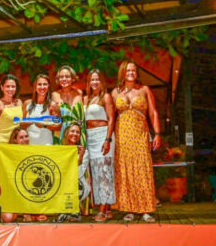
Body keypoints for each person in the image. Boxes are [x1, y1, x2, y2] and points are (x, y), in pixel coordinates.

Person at [112, 60, 162, 222]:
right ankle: (129, 209)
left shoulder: (145, 90)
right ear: (122, 73)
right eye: (128, 71)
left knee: (142, 169)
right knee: (125, 171)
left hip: (140, 134)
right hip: (122, 136)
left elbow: (153, 113)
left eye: (133, 70)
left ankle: (146, 209)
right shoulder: (115, 93)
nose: (131, 73)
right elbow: (111, 118)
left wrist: (158, 133)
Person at [84, 69, 116, 221]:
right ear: (88, 83)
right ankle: (108, 208)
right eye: (92, 80)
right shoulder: (87, 99)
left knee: (104, 173)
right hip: (90, 136)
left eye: (97, 79)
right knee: (97, 174)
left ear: (102, 82)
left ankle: (103, 211)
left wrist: (108, 139)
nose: (94, 82)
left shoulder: (106, 97)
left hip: (103, 134)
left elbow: (111, 119)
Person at [0, 73, 24, 151]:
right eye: (8, 86)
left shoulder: (19, 102)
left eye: (13, 86)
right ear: (2, 87)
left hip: (16, 143)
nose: (10, 89)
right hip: (1, 143)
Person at [61, 122, 91, 212]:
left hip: (78, 183)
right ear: (66, 133)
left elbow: (79, 175)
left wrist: (80, 157)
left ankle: (75, 209)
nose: (75, 134)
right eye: (72, 131)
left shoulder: (84, 152)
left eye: (77, 132)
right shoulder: (60, 150)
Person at [51, 64, 85, 141]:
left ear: (73, 78)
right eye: (61, 77)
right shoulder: (54, 95)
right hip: (60, 133)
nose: (64, 79)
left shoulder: (79, 93)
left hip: (77, 134)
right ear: (58, 80)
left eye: (67, 76)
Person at [24, 73, 58, 147]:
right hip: (29, 143)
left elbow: (59, 126)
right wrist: (27, 123)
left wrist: (44, 125)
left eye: (45, 84)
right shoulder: (27, 103)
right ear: (35, 87)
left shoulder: (52, 105)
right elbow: (21, 125)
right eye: (39, 84)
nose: (42, 87)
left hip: (46, 143)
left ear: (48, 86)